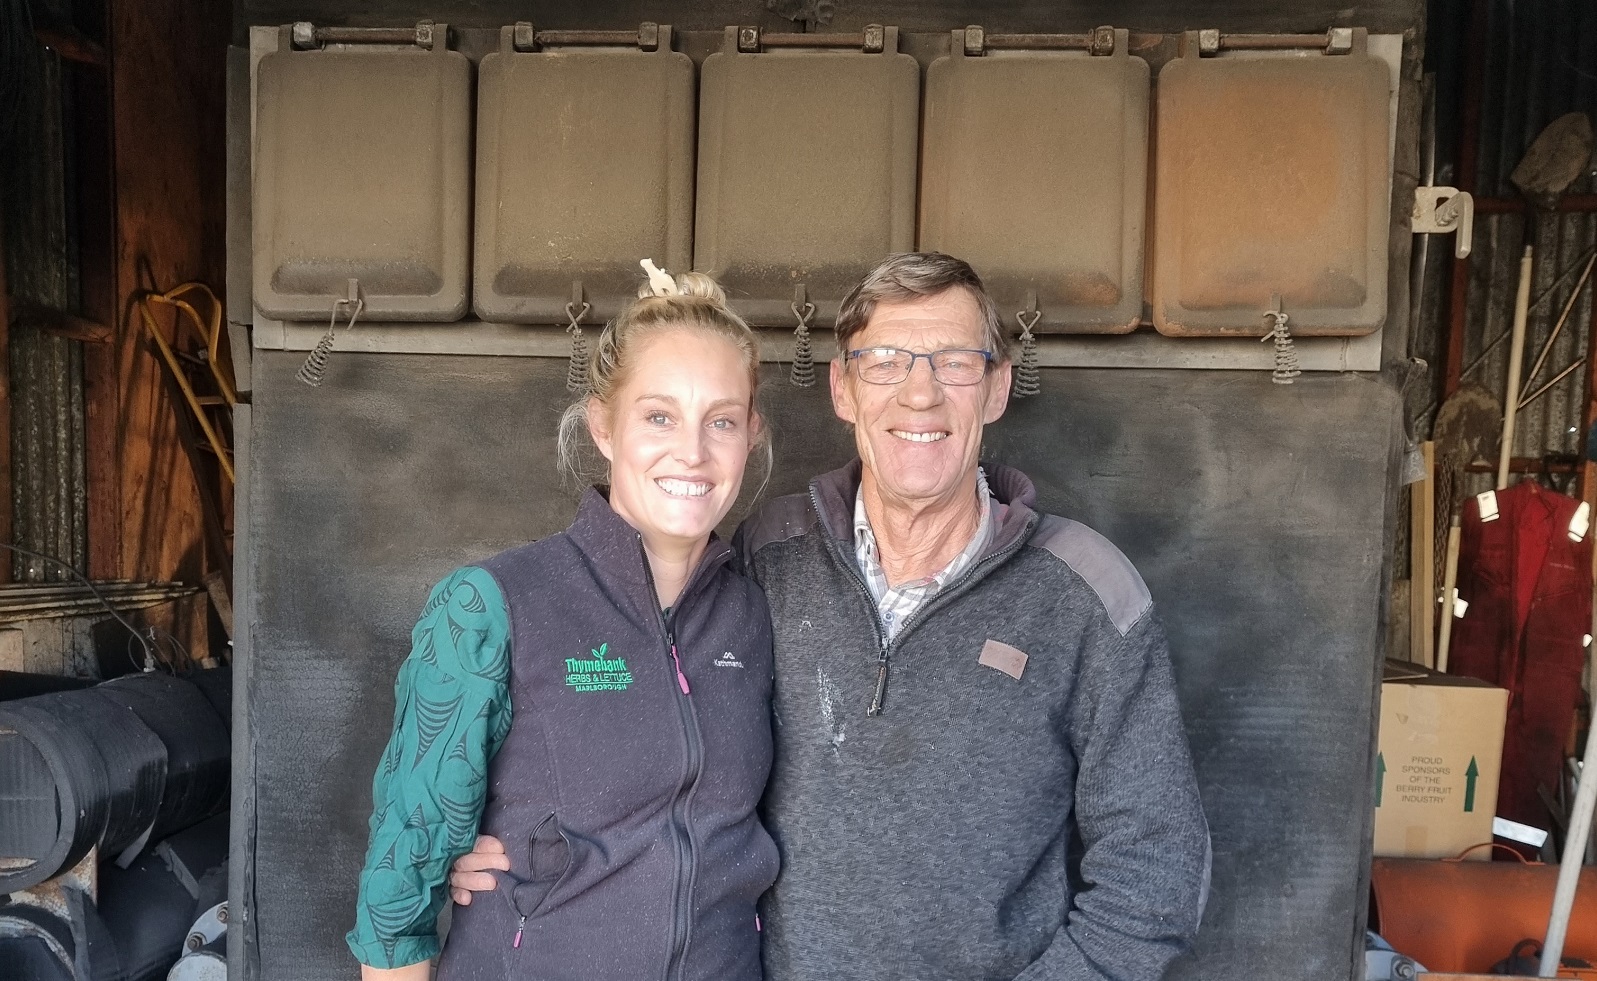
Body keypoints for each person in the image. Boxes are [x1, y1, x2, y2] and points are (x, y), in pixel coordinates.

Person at [452, 252, 1211, 981]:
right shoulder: (762, 559)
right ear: (843, 389)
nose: (919, 394)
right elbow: (639, 736)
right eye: (884, 360)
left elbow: (1156, 866)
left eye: (954, 361)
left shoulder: (1085, 592)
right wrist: (506, 839)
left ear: (996, 387)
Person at [348, 261, 780, 980]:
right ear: (603, 425)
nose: (693, 451)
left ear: (750, 434)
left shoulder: (758, 613)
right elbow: (400, 891)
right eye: (659, 415)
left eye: (722, 420)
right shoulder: (488, 605)